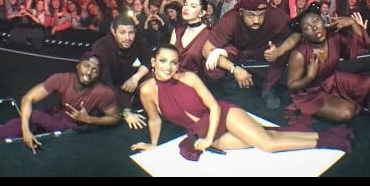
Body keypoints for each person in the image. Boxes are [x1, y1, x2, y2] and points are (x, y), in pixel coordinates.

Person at [130, 44, 353, 158]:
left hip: (223, 116)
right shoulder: (147, 90)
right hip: (201, 131)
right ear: (153, 61)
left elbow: (215, 106)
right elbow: (154, 120)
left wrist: (207, 139)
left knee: (267, 145)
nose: (168, 67)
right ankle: (323, 135)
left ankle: (329, 141)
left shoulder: (189, 77)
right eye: (163, 61)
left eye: (174, 62)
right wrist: (153, 144)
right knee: (264, 136)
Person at [0, 54, 120, 154]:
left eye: (95, 70)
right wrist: (26, 131)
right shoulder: (61, 78)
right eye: (86, 65)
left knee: (34, 116)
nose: (89, 72)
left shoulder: (104, 92)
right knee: (24, 121)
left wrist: (90, 120)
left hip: (74, 127)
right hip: (57, 115)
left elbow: (115, 117)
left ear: (98, 75)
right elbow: (28, 98)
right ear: (78, 65)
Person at [202, 0, 302, 109]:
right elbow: (206, 50)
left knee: (285, 48)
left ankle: (269, 89)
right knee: (211, 66)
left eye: (261, 15)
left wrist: (279, 51)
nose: (256, 21)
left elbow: (297, 34)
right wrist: (234, 69)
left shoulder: (275, 15)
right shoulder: (230, 19)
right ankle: (231, 86)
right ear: (241, 12)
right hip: (238, 51)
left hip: (264, 49)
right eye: (251, 15)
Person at [285, 3, 370, 124]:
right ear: (304, 35)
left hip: (331, 80)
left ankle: (335, 99)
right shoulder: (298, 54)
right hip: (310, 94)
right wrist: (309, 76)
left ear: (323, 21)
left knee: (368, 83)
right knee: (347, 112)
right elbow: (291, 85)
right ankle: (321, 106)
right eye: (307, 28)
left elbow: (359, 47)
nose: (315, 28)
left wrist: (353, 24)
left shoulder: (334, 38)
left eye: (316, 21)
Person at [91, 14, 150, 129]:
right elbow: (106, 83)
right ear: (114, 32)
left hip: (129, 84)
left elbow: (147, 62)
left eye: (131, 33)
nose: (128, 38)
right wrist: (126, 111)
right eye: (122, 33)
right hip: (107, 89)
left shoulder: (138, 41)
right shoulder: (101, 46)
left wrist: (135, 78)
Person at [170, 0, 213, 79]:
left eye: (192, 6)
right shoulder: (177, 30)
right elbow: (169, 59)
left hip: (196, 84)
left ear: (202, 13)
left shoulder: (209, 34)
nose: (186, 8)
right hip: (173, 80)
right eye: (185, 4)